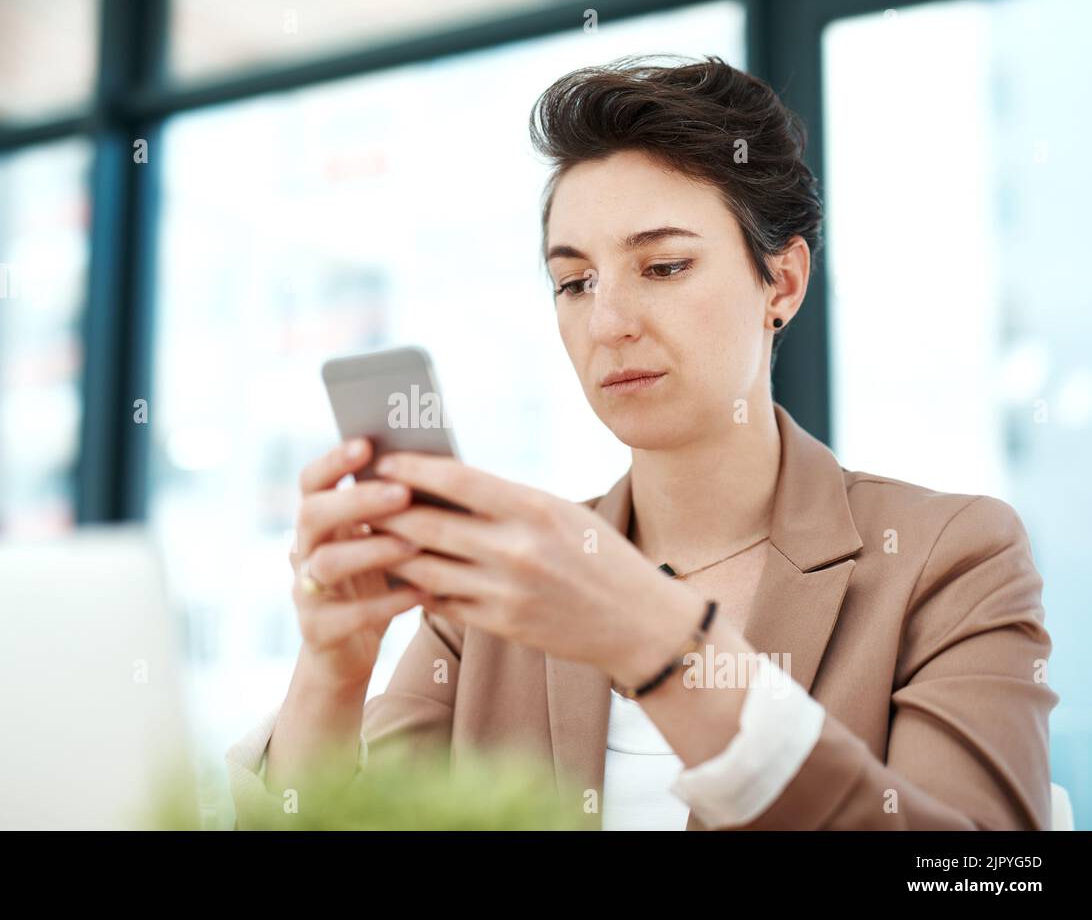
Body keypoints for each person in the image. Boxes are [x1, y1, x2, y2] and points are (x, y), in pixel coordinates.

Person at [226, 54, 1058, 830]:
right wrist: (333, 671)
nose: (609, 323)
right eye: (575, 281)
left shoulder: (949, 559)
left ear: (785, 281)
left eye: (662, 268)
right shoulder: (488, 599)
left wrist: (657, 642)